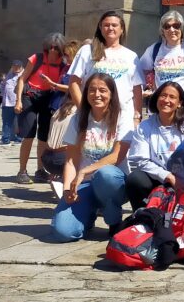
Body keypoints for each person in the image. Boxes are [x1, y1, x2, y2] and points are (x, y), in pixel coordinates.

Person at [51, 73, 131, 241]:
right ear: (86, 93)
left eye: (103, 90)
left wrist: (85, 171)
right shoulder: (78, 119)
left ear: (111, 94)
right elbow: (71, 160)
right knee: (62, 232)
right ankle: (87, 216)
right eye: (92, 90)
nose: (97, 95)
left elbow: (117, 156)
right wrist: (67, 189)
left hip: (114, 184)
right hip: (85, 186)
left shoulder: (122, 116)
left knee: (105, 174)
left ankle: (114, 220)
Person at [67, 11, 142, 161]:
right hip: (94, 115)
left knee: (119, 159)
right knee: (90, 155)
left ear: (122, 29)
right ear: (100, 28)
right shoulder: (87, 51)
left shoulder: (131, 56)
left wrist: (136, 115)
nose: (110, 28)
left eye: (114, 25)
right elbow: (74, 82)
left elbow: (136, 88)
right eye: (106, 25)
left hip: (122, 116)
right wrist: (83, 108)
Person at [126, 81, 184, 207]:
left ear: (180, 103)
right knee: (135, 179)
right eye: (163, 95)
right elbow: (140, 160)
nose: (166, 100)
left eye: (172, 97)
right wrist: (168, 176)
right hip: (159, 181)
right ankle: (143, 219)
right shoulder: (145, 127)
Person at [14, 33, 69, 184]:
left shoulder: (62, 64)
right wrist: (18, 100)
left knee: (44, 137)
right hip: (30, 96)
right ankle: (22, 171)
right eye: (50, 47)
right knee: (29, 134)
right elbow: (22, 79)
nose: (52, 50)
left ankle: (40, 170)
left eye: (56, 48)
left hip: (47, 98)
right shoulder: (36, 58)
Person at [138, 10, 184, 97]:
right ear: (163, 30)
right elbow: (139, 72)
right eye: (167, 26)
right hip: (160, 105)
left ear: (182, 28)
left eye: (176, 26)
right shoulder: (154, 50)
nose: (172, 30)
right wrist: (147, 87)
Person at [0, 61, 22, 145]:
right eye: (14, 66)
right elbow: (3, 85)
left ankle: (18, 138)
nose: (16, 68)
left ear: (21, 67)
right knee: (6, 122)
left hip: (17, 102)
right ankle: (5, 139)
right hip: (7, 102)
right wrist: (2, 94)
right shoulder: (9, 75)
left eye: (18, 66)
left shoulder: (23, 75)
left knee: (19, 122)